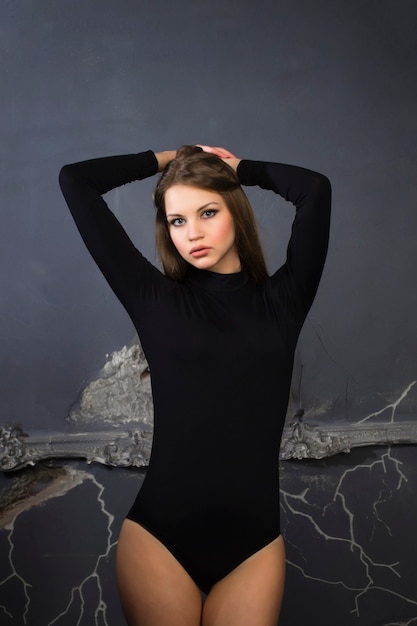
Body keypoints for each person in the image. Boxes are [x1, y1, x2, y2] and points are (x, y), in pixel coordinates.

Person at [59, 144, 331, 626]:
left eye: (207, 211)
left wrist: (237, 168)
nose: (193, 233)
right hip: (161, 541)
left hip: (254, 548)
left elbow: (313, 190)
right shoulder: (154, 300)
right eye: (177, 220)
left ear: (236, 210)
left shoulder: (284, 304)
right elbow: (76, 181)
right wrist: (166, 159)